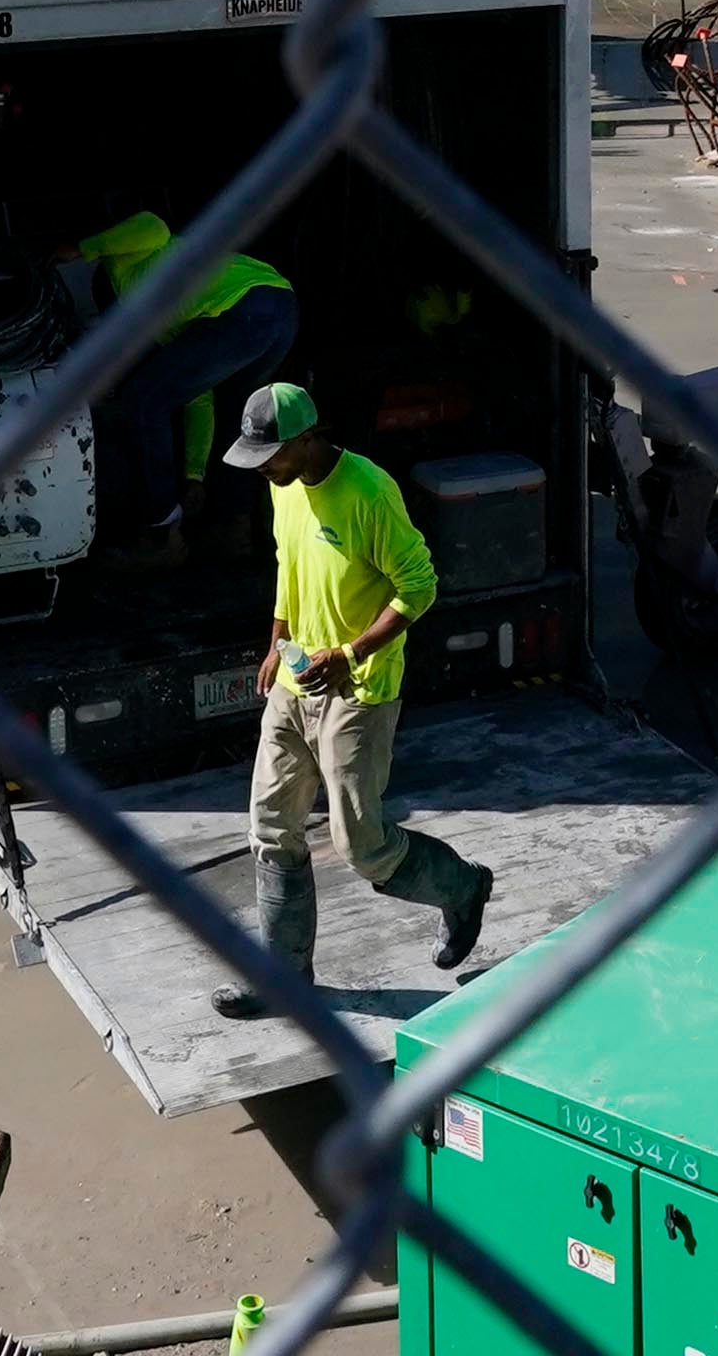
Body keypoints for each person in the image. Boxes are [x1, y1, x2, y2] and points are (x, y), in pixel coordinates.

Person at [213, 381, 488, 1017]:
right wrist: (277, 641)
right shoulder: (284, 489)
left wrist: (350, 654)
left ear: (308, 439)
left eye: (271, 455)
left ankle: (464, 887)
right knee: (271, 827)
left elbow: (419, 587)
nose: (264, 469)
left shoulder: (367, 492)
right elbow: (289, 565)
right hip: (294, 680)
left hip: (358, 691)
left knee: (362, 847)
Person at [64, 205, 295, 564]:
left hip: (244, 309)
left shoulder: (129, 260)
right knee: (237, 414)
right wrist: (193, 474)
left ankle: (161, 536)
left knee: (141, 400)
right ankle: (236, 529)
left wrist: (83, 248)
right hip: (278, 309)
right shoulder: (169, 320)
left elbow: (153, 225)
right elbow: (198, 399)